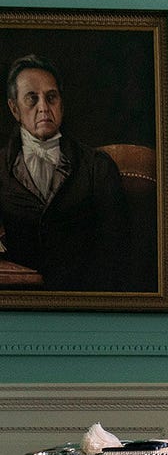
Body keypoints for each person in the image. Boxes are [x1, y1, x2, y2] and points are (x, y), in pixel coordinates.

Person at [0, 53, 131, 290]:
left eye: (51, 97)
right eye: (32, 98)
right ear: (14, 109)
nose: (44, 108)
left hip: (82, 298)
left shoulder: (97, 166)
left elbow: (116, 248)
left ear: (62, 103)